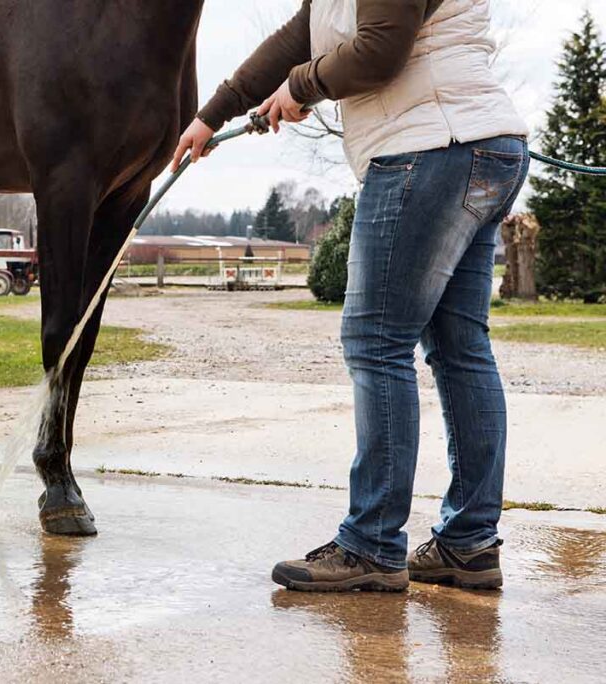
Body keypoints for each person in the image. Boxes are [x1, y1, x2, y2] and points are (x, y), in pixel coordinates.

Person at [173, 0, 529, 592]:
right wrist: (212, 115)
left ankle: (372, 545)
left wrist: (301, 87)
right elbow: (297, 37)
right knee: (459, 347)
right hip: (477, 144)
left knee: (377, 342)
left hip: (429, 146)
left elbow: (379, 51)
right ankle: (468, 544)